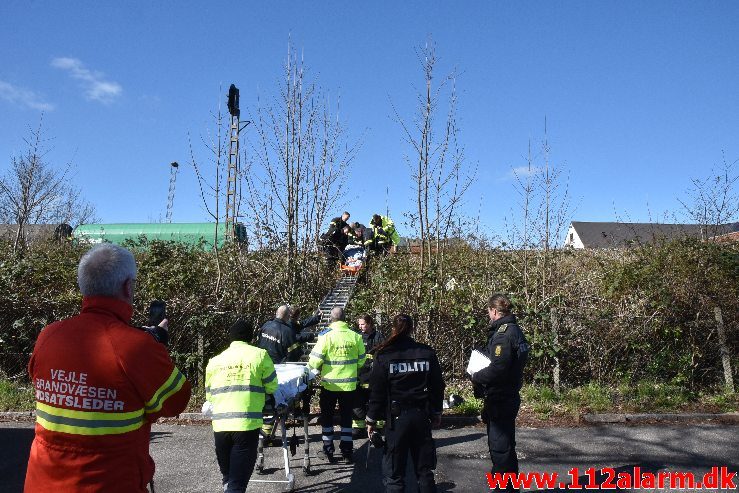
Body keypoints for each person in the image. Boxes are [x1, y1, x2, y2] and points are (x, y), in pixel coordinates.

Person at [24, 243, 192, 493]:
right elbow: (176, 401)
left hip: (40, 484)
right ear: (128, 286)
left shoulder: (48, 335)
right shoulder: (137, 347)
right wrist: (157, 348)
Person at [366, 314, 445, 493]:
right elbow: (437, 386)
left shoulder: (385, 355)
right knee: (424, 470)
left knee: (394, 473)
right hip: (421, 416)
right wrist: (436, 411)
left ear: (393, 328)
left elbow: (377, 391)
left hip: (396, 419)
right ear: (412, 329)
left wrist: (371, 419)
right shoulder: (426, 352)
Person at [206, 318, 278, 493]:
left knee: (228, 478)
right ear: (250, 337)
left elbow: (210, 395)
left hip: (221, 426)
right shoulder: (260, 355)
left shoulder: (215, 361)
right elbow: (272, 386)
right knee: (237, 484)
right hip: (246, 425)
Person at [471, 294, 529, 492]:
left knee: (500, 449)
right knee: (507, 447)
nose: (488, 315)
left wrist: (476, 376)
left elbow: (498, 368)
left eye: (488, 311)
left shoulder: (503, 335)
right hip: (509, 394)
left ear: (494, 311)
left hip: (501, 397)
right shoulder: (515, 330)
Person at [308, 306, 366, 463]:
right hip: (349, 386)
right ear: (345, 318)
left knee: (327, 419)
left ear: (332, 319)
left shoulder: (326, 336)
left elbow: (314, 360)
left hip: (330, 386)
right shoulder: (355, 336)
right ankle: (347, 451)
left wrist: (317, 369)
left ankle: (328, 450)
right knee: (347, 419)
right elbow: (362, 360)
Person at [352, 314, 385, 438]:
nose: (360, 326)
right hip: (359, 374)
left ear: (370, 324)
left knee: (375, 401)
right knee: (358, 403)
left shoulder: (378, 337)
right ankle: (358, 428)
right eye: (359, 324)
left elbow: (383, 353)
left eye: (363, 324)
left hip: (374, 375)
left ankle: (379, 426)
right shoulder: (356, 336)